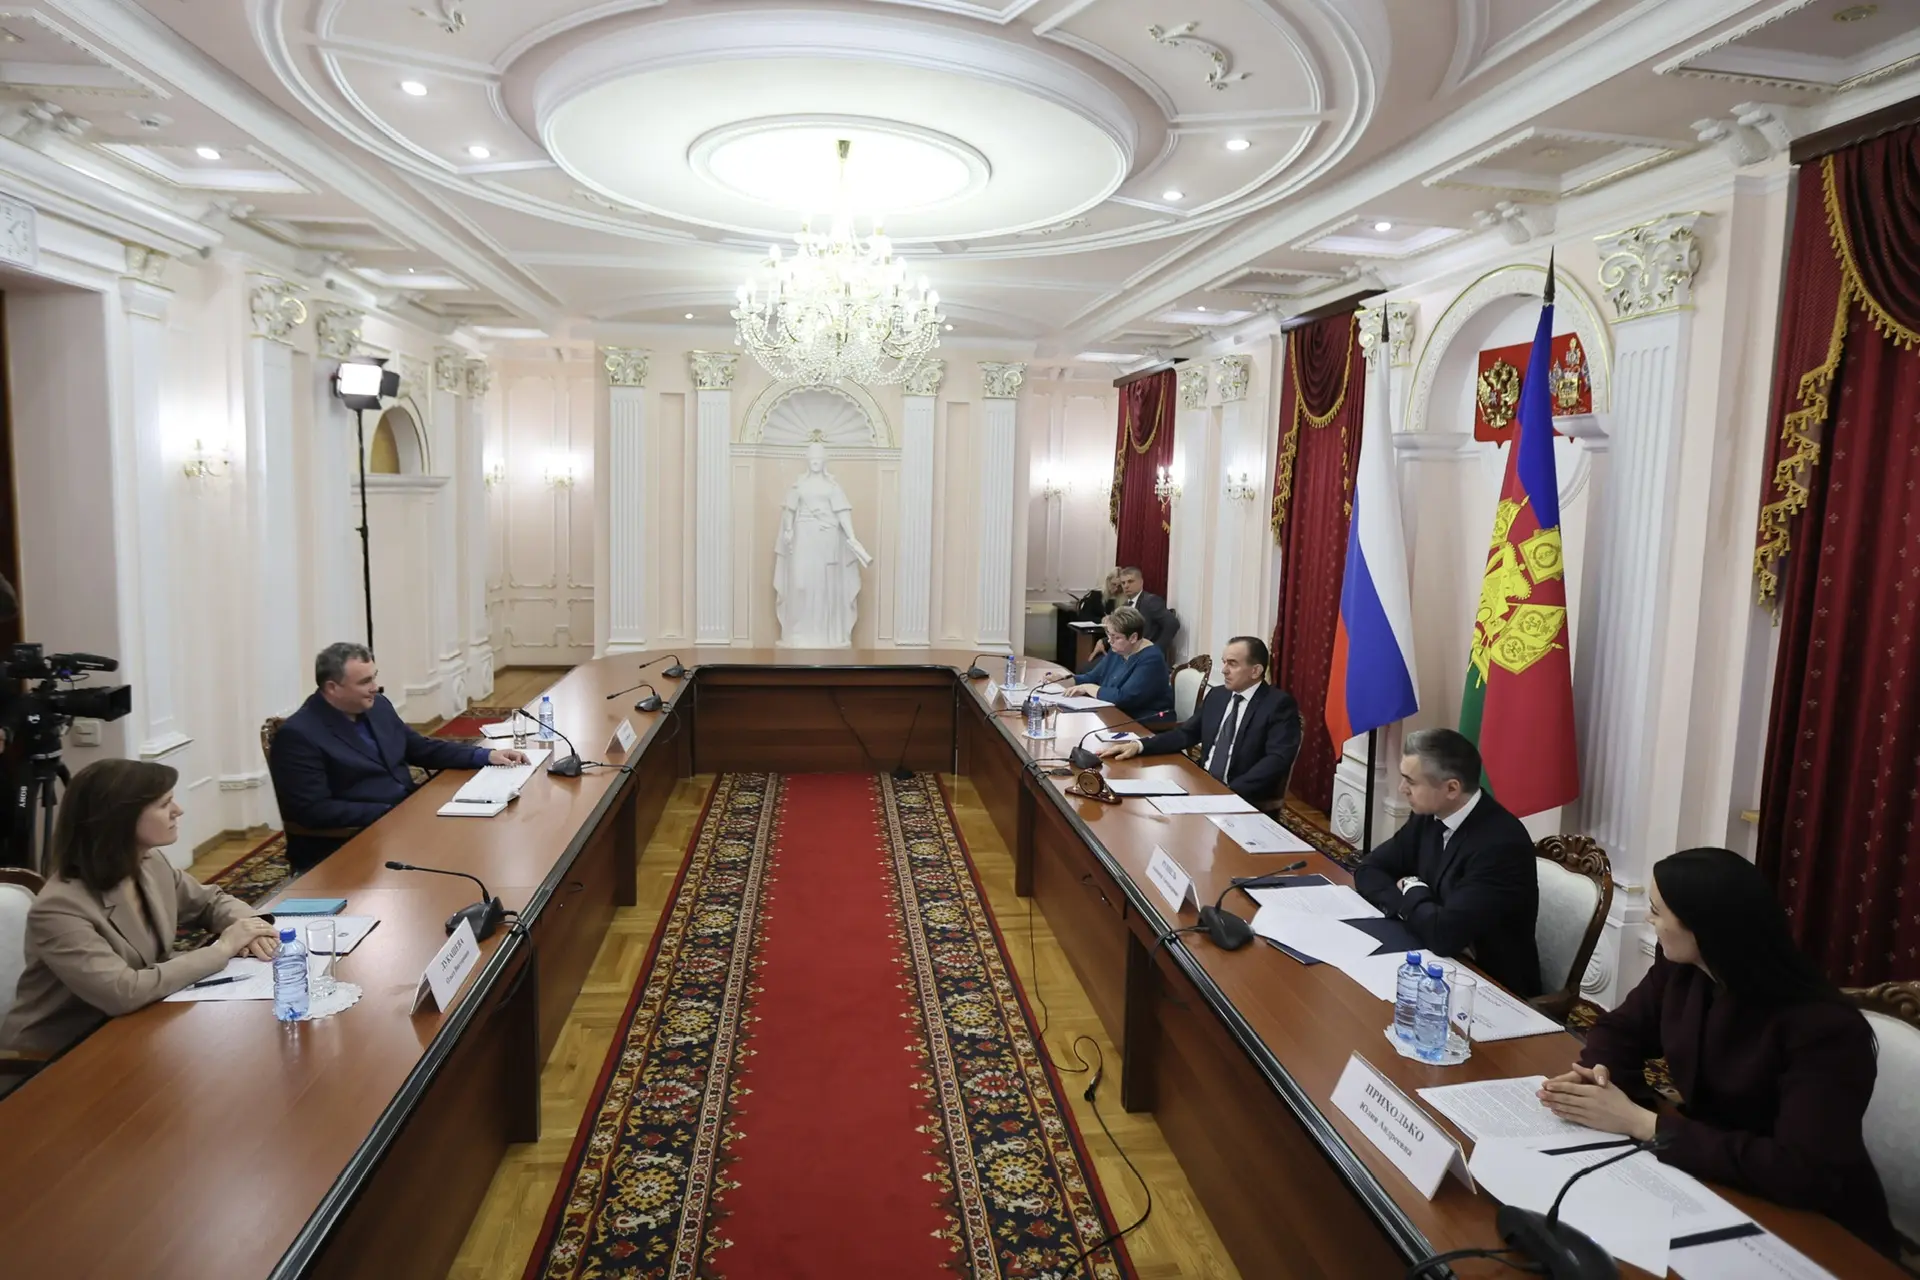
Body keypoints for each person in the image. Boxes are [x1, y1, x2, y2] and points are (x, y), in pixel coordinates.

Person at [1538, 848, 1897, 1257]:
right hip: (1713, 1177)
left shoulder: (1825, 1030)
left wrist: (1642, 1123)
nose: (1649, 921)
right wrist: (1600, 1077)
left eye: (1656, 911)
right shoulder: (1683, 970)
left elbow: (1800, 1170)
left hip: (1816, 1229)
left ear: (1702, 927)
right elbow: (1619, 1030)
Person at [0, 759, 278, 1054]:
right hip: (61, 1054)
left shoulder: (149, 862)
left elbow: (210, 902)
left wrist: (254, 930)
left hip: (140, 1023)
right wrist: (223, 949)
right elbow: (122, 992)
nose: (178, 810)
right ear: (120, 818)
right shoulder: (59, 907)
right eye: (164, 804)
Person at [269, 643, 528, 869]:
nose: (375, 688)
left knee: (484, 841)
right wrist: (393, 813)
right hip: (353, 842)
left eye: (374, 677)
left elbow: (419, 748)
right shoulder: (299, 735)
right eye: (364, 682)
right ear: (332, 687)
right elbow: (313, 810)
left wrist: (485, 756)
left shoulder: (377, 706)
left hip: (405, 821)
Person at [1353, 728, 1541, 997]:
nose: (1402, 789)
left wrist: (1411, 887)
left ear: (1452, 788)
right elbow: (1368, 869)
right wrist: (1411, 907)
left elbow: (1444, 935)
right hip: (1432, 954)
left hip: (1490, 984)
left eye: (1411, 781)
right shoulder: (1428, 815)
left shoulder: (1501, 845)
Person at [1097, 636, 1299, 806]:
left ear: (1255, 671)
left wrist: (1227, 793)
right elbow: (1186, 733)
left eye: (1232, 664)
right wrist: (1139, 745)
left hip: (1240, 797)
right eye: (1224, 662)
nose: (1224, 670)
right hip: (1202, 785)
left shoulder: (1278, 705)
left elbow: (1276, 760)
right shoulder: (1219, 695)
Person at [1064, 606, 1173, 728]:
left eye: (1116, 637)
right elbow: (1092, 677)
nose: (1110, 641)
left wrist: (1088, 688)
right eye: (1109, 635)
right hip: (1116, 714)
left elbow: (1124, 698)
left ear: (1133, 637)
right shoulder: (1119, 650)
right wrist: (1063, 680)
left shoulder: (1151, 659)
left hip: (1145, 722)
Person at [1114, 566, 1178, 651]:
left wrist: (1157, 648)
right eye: (1123, 583)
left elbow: (1172, 623)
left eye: (1130, 581)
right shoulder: (1124, 606)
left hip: (1144, 651)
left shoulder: (1151, 601)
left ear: (1141, 582)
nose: (1126, 586)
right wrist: (1104, 642)